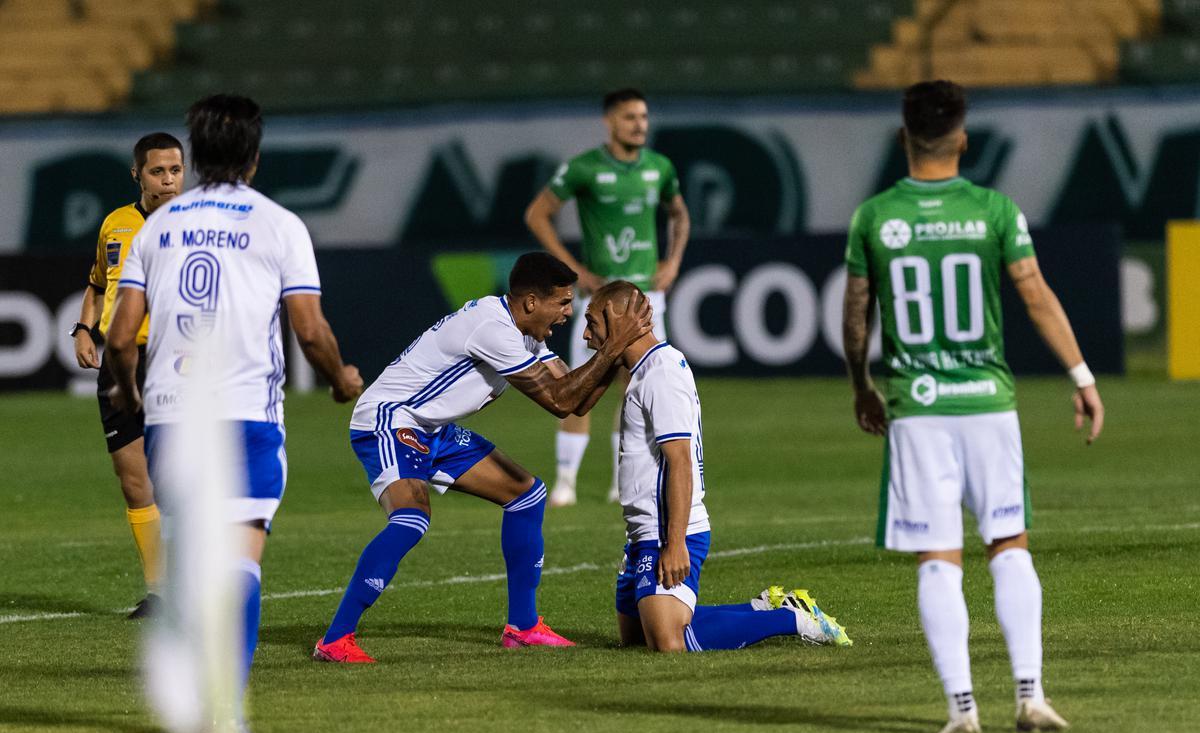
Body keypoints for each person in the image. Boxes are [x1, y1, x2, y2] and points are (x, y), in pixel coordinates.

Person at [842, 80, 1105, 733]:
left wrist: (861, 384)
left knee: (938, 557)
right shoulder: (995, 209)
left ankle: (962, 710)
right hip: (987, 403)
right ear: (962, 138)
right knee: (1010, 546)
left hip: (919, 407)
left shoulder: (874, 217)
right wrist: (1081, 375)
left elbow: (855, 314)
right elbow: (1036, 295)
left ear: (903, 137)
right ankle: (1030, 695)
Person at [107, 94, 363, 724]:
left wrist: (131, 392)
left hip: (170, 415)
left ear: (193, 157)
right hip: (247, 413)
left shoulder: (158, 227)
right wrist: (340, 378)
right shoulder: (280, 225)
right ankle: (225, 708)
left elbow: (118, 338)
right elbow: (310, 331)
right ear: (253, 155)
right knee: (241, 561)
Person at [312, 253, 654, 663]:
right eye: (562, 303)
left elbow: (575, 398)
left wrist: (614, 353)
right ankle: (335, 639)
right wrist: (614, 347)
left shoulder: (526, 332)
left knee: (527, 495)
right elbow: (559, 401)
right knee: (411, 517)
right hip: (390, 418)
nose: (567, 313)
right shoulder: (493, 330)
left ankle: (523, 628)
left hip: (430, 429)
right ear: (530, 302)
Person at [582, 281, 852, 653]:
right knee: (636, 641)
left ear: (618, 320)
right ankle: (759, 607)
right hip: (642, 534)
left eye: (592, 323)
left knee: (669, 642)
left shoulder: (660, 373)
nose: (585, 334)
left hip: (669, 533)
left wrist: (675, 543)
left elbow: (680, 462)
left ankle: (790, 618)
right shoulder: (645, 370)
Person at [525, 87, 691, 507]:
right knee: (580, 387)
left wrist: (673, 262)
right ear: (610, 121)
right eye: (631, 117)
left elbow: (679, 214)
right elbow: (537, 213)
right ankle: (566, 483)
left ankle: (623, 480)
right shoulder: (583, 168)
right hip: (599, 298)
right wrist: (571, 270)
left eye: (644, 117)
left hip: (646, 298)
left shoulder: (660, 167)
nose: (640, 125)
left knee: (635, 388)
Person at [71, 132, 185, 619]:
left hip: (176, 361)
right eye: (158, 171)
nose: (168, 180)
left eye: (176, 170)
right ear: (137, 174)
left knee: (178, 478)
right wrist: (82, 327)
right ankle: (160, 594)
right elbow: (98, 284)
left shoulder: (197, 224)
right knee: (133, 479)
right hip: (122, 363)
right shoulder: (116, 224)